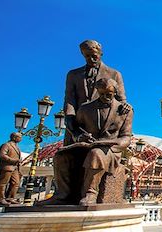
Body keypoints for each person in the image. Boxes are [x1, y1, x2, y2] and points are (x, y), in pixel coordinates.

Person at [39, 78, 133, 206]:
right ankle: (62, 195)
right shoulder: (85, 109)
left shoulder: (124, 111)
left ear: (115, 92)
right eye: (101, 94)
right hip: (86, 147)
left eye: (109, 94)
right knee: (61, 156)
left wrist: (111, 145)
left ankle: (90, 193)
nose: (105, 97)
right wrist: (79, 137)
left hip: (109, 150)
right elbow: (76, 129)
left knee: (96, 154)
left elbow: (126, 137)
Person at [63, 40, 127, 145]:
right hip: (78, 125)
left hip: (102, 126)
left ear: (101, 53)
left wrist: (125, 107)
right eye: (87, 56)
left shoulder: (114, 74)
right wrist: (72, 125)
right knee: (65, 159)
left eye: (94, 56)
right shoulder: (73, 75)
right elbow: (69, 100)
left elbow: (121, 100)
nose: (91, 59)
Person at [0, 132, 22, 205]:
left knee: (16, 183)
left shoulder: (17, 147)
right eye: (19, 137)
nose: (21, 139)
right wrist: (13, 160)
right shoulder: (6, 145)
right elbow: (2, 155)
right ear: (14, 137)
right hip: (7, 167)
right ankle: (0, 199)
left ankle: (10, 198)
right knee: (3, 183)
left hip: (15, 168)